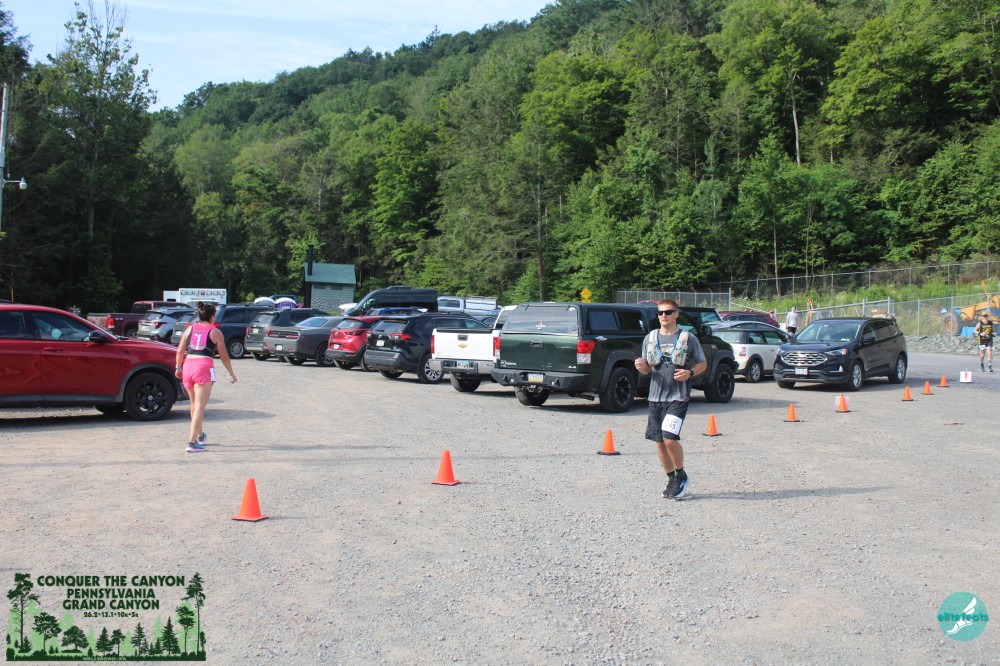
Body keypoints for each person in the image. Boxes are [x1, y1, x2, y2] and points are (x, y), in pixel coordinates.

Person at [634, 299, 707, 500]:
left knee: (669, 437)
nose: (664, 316)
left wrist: (690, 373)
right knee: (659, 442)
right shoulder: (650, 338)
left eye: (668, 312)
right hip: (655, 397)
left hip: (678, 397)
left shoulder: (688, 338)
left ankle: (681, 476)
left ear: (676, 314)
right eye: (660, 313)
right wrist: (641, 367)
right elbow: (647, 369)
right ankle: (671, 479)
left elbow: (702, 363)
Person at [175, 302, 237, 452]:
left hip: (188, 366)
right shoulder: (215, 332)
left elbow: (180, 351)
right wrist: (231, 372)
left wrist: (178, 367)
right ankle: (192, 443)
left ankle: (200, 436)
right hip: (203, 367)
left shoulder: (190, 329)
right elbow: (224, 356)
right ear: (212, 316)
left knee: (194, 405)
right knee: (200, 407)